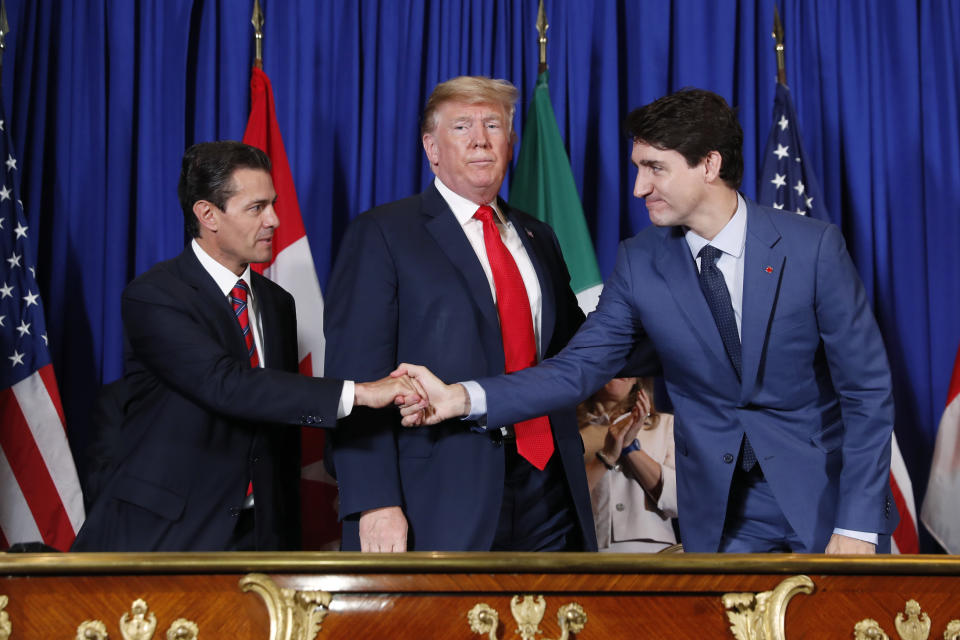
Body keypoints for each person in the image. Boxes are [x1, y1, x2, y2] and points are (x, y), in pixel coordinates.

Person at [398, 88, 898, 554]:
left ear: (709, 165)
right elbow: (576, 368)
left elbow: (866, 389)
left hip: (825, 498)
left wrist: (855, 524)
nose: (639, 187)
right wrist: (460, 397)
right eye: (638, 168)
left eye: (654, 168)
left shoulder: (812, 248)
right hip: (721, 516)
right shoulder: (641, 263)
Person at [72, 141, 419, 552]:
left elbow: (280, 423)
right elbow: (226, 384)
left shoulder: (276, 303)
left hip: (261, 535)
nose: (274, 220)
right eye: (256, 208)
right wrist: (361, 393)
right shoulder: (154, 296)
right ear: (207, 215)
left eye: (273, 204)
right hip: (172, 536)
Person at [324, 76, 597, 552]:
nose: (480, 139)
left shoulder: (539, 237)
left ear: (510, 142)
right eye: (462, 126)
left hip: (549, 484)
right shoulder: (384, 234)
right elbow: (356, 380)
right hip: (437, 494)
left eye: (493, 124)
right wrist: (375, 501)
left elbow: (578, 348)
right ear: (431, 148)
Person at [579, 377, 677, 552]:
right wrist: (606, 456)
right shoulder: (571, 431)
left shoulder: (666, 424)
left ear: (637, 379)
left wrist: (629, 447)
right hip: (591, 552)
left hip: (655, 554)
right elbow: (564, 501)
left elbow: (680, 502)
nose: (620, 371)